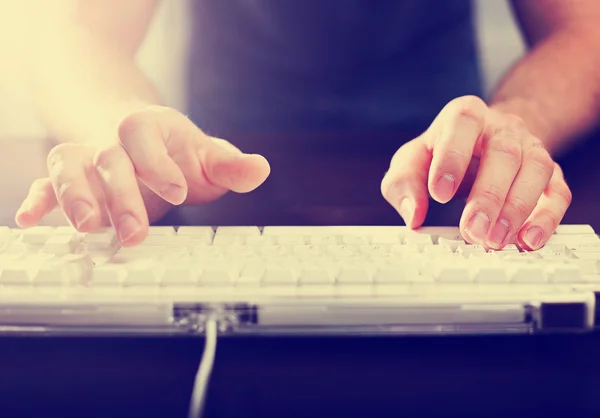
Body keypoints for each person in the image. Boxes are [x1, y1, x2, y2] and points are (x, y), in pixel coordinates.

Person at [14, 0, 600, 251]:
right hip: (210, 181)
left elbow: (582, 28)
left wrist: (517, 123)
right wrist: (122, 133)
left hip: (451, 178)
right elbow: (75, 29)